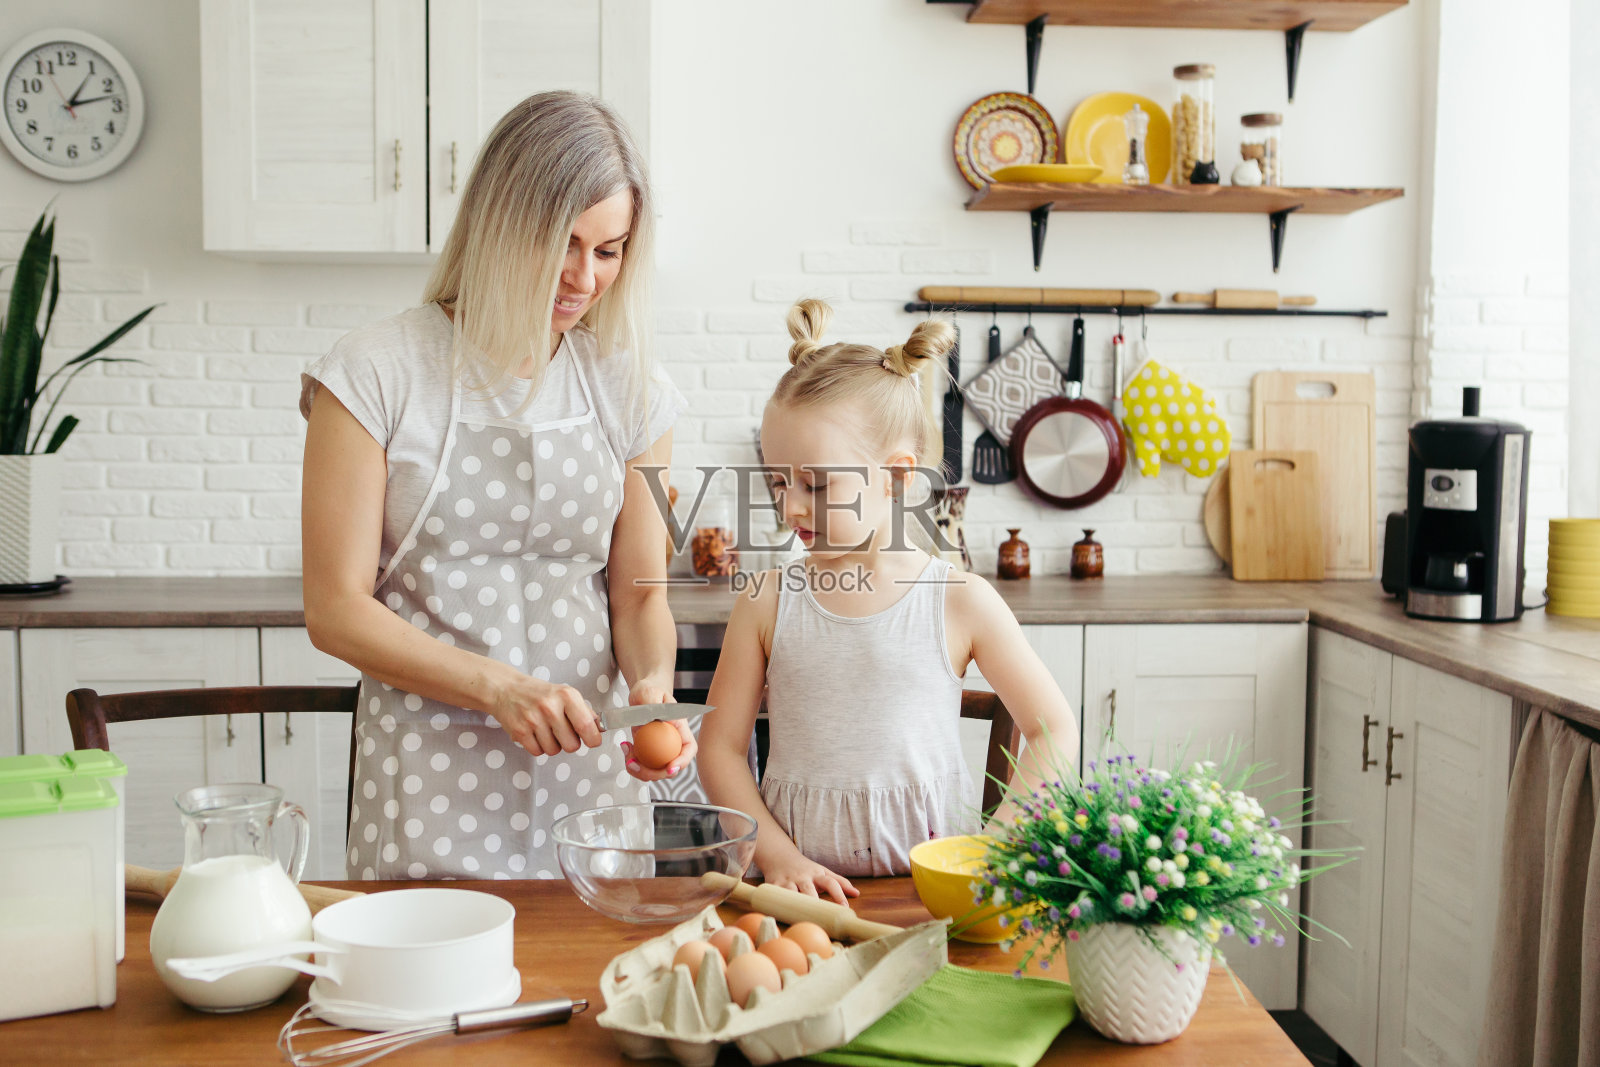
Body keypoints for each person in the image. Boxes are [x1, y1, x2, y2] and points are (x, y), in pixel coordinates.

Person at [299, 91, 692, 880]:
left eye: (609, 250)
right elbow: (335, 610)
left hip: (591, 775)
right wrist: (500, 688)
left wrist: (651, 686)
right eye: (564, 245)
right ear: (500, 225)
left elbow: (640, 596)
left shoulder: (631, 389)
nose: (585, 277)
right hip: (427, 771)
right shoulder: (376, 372)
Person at [697, 299, 1080, 903]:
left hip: (932, 896)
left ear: (898, 477)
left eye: (816, 484)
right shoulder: (767, 599)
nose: (789, 507)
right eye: (778, 481)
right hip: (801, 895)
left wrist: (999, 848)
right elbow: (719, 748)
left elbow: (1054, 728)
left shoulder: (960, 601)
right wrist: (779, 859)